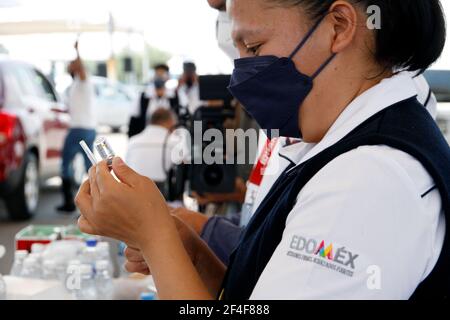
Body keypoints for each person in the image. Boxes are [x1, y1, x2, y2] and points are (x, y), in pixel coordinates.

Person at [76, 0, 450, 300]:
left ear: (339, 26)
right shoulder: (332, 145)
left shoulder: (370, 177)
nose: (242, 72)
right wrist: (191, 255)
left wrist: (154, 236)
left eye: (254, 47)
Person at [56, 41, 96, 213]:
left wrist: (77, 50)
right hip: (84, 128)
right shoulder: (73, 86)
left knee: (66, 164)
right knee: (88, 166)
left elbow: (81, 68)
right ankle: (91, 199)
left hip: (80, 129)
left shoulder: (83, 82)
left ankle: (69, 203)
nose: (69, 65)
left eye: (71, 64)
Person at [126, 108, 179, 196]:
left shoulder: (132, 142)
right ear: (170, 122)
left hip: (135, 196)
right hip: (166, 198)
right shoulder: (176, 143)